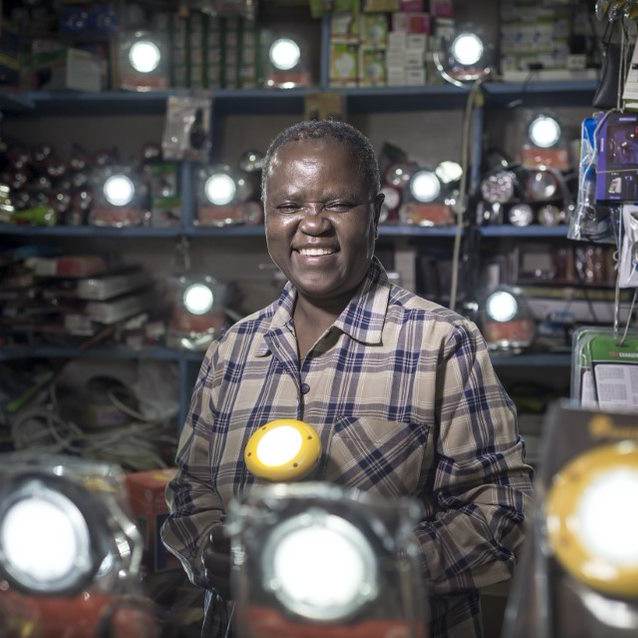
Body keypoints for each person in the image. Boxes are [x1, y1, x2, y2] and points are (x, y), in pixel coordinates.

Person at [161, 120, 534, 638]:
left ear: (376, 214)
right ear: (266, 217)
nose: (312, 224)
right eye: (289, 206)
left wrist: (375, 572)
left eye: (336, 205)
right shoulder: (231, 351)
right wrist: (208, 551)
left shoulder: (442, 343)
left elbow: (504, 507)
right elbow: (191, 490)